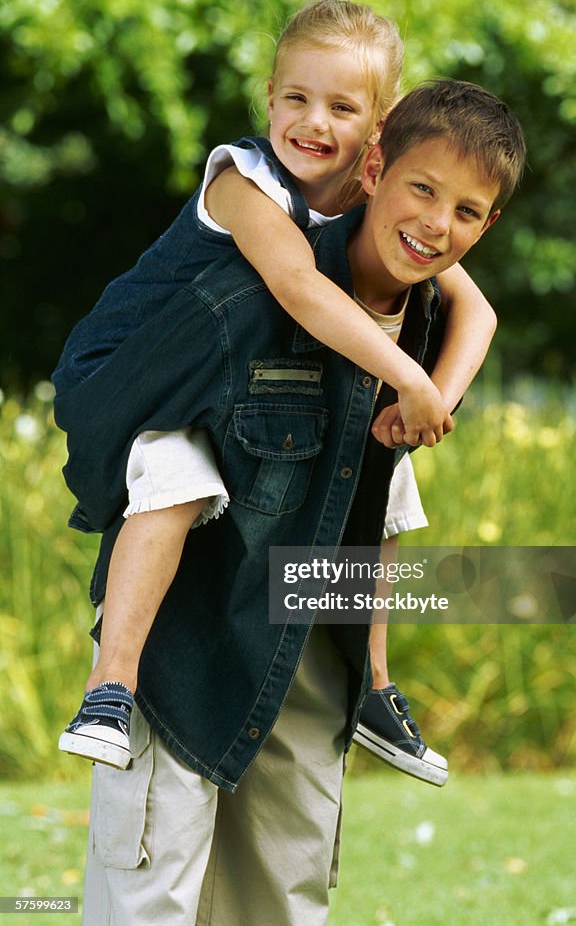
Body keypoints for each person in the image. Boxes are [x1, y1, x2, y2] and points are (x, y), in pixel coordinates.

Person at [56, 78, 526, 925]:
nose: (433, 224)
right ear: (374, 169)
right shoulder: (249, 289)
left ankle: (379, 688)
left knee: (283, 904)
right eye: (420, 189)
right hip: (186, 662)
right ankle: (110, 682)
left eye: (463, 211)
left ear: (488, 226)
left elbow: (376, 489)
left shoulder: (430, 313)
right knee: (150, 904)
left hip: (309, 668)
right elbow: (110, 429)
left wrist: (430, 399)